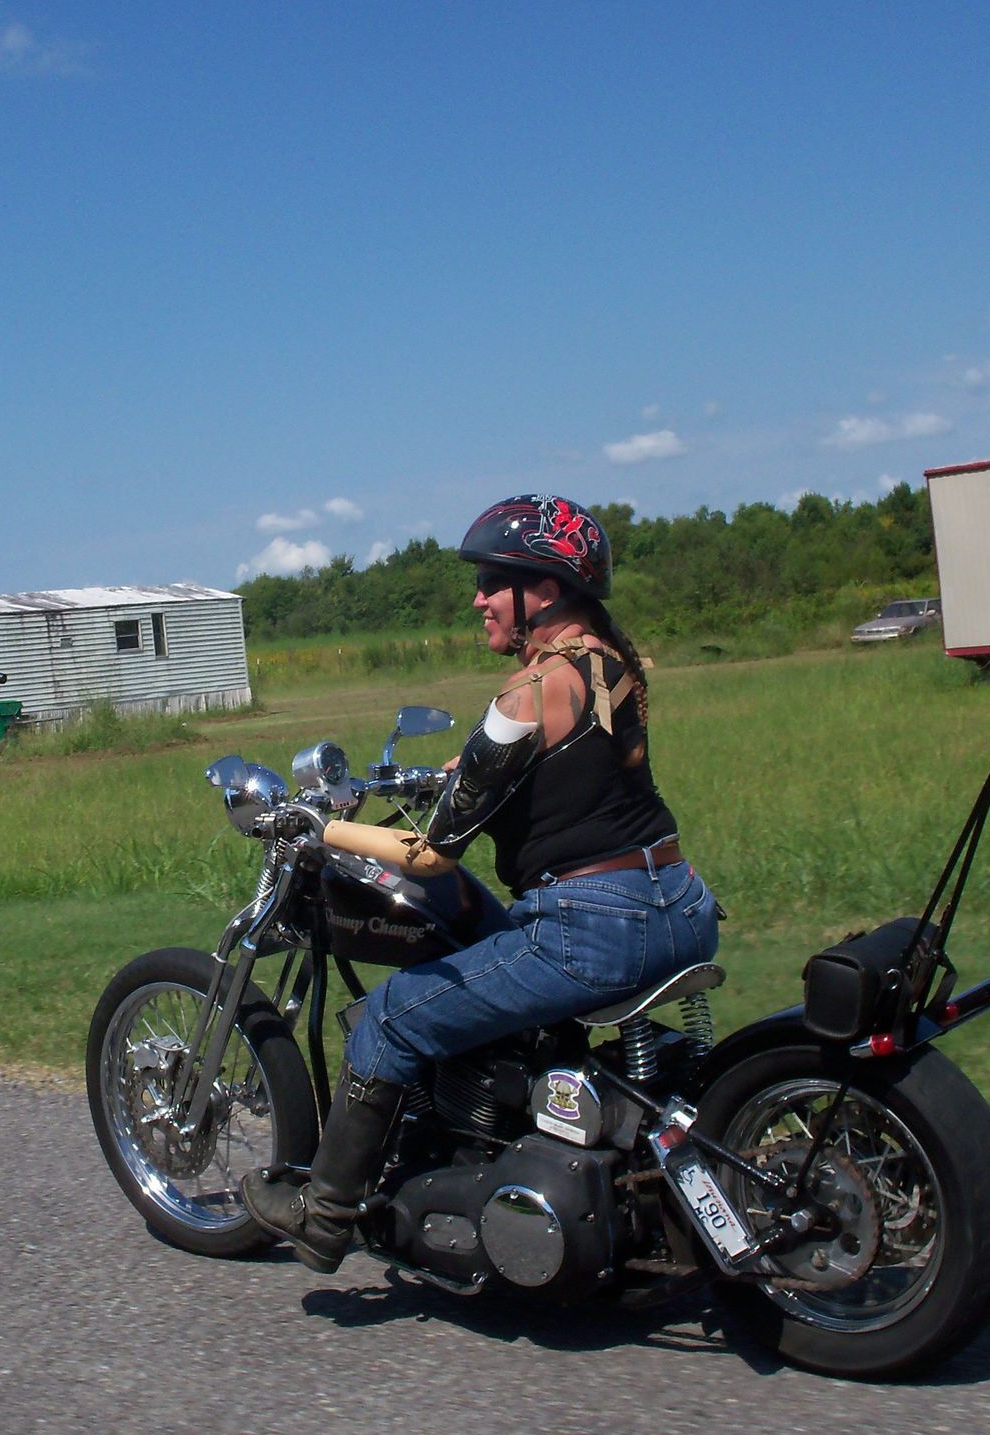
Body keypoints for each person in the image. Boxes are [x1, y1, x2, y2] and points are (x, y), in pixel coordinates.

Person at [242, 493, 721, 1273]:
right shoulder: (612, 664)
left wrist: (319, 828)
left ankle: (322, 1216)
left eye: (494, 582)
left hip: (593, 928)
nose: (479, 599)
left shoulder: (526, 692)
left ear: (545, 590)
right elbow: (578, 782)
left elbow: (432, 856)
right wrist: (463, 772)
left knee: (389, 1020)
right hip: (679, 903)